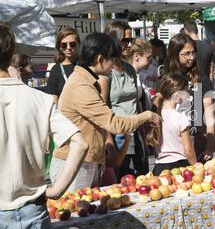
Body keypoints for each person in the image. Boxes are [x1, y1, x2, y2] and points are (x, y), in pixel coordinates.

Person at [0, 22, 88, 229]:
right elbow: (79, 143)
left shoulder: (40, 99)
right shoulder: (39, 99)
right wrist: (57, 190)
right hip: (34, 211)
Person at [50, 33, 160, 192]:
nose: (115, 66)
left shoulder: (86, 80)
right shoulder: (81, 86)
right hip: (74, 164)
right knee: (77, 214)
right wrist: (148, 115)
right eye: (113, 61)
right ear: (100, 59)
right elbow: (114, 123)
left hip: (85, 162)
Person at [105, 21, 150, 178]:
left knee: (140, 177)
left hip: (135, 130)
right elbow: (103, 109)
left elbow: (135, 101)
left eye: (131, 40)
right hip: (117, 132)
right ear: (114, 40)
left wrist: (143, 134)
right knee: (122, 179)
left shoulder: (129, 69)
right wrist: (108, 140)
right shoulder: (106, 71)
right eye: (125, 40)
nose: (130, 44)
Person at [163, 33, 215, 163]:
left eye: (194, 53)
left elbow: (210, 116)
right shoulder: (166, 81)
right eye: (187, 54)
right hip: (171, 143)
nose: (191, 57)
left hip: (196, 140)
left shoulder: (202, 81)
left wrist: (210, 147)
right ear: (175, 54)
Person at [149, 73, 197, 175]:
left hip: (159, 167)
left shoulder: (155, 115)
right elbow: (188, 150)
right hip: (179, 167)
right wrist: (196, 167)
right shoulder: (180, 118)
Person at [46, 27, 80, 104]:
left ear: (78, 44)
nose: (68, 48)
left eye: (72, 44)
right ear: (59, 47)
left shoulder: (86, 65)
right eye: (64, 45)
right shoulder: (56, 69)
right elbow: (53, 99)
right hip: (65, 114)